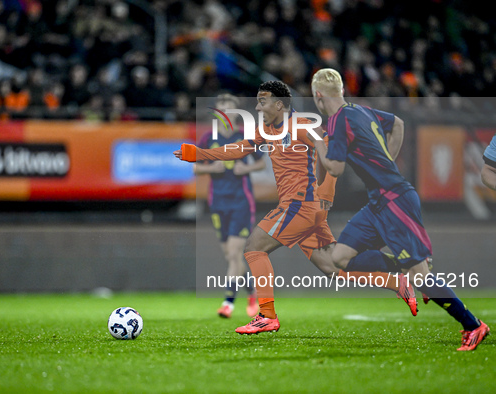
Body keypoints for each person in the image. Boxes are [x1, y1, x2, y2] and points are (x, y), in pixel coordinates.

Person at [174, 81, 414, 335]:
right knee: (332, 267)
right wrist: (202, 154)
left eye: (262, 101)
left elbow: (333, 154)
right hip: (302, 207)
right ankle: (397, 283)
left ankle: (266, 315)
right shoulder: (266, 129)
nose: (257, 106)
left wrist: (327, 190)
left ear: (279, 104)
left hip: (300, 204)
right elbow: (239, 149)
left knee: (254, 248)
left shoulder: (302, 126)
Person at [309, 68, 490, 351]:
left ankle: (473, 325)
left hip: (395, 200)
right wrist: (387, 162)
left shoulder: (337, 121)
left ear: (318, 95)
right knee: (340, 258)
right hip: (377, 202)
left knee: (422, 278)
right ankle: (401, 270)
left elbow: (336, 168)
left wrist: (317, 142)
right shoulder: (361, 111)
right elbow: (399, 124)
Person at [196, 93, 265, 318]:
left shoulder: (245, 137)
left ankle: (228, 303)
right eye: (221, 108)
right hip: (218, 202)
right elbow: (196, 167)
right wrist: (210, 168)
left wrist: (245, 169)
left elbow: (262, 162)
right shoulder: (208, 139)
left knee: (235, 253)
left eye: (229, 108)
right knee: (231, 256)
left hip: (241, 201)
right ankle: (253, 292)